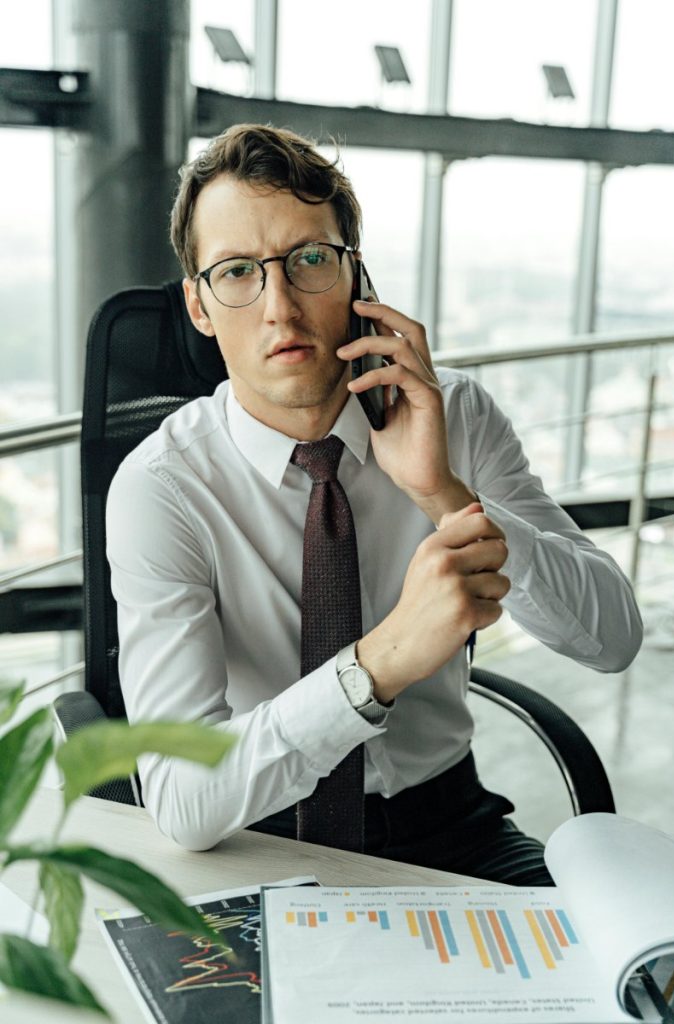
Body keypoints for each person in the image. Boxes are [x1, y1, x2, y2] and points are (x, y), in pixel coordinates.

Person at [106, 123, 643, 885]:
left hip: (453, 828)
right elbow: (184, 802)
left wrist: (445, 495)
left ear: (356, 275)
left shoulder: (451, 414)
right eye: (237, 272)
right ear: (199, 305)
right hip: (255, 845)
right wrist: (379, 663)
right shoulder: (162, 486)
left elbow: (612, 640)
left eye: (309, 260)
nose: (278, 307)